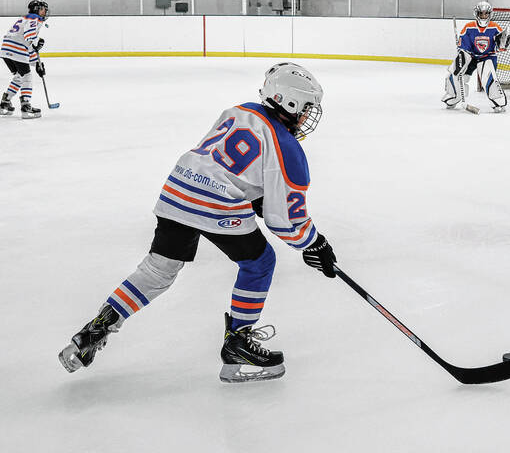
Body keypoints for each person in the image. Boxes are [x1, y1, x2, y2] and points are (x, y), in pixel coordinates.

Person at [58, 62, 337, 383]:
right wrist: (315, 244)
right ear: (289, 102)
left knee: (158, 270)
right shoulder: (287, 147)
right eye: (306, 108)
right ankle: (238, 342)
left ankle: (95, 330)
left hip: (178, 186)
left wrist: (255, 197)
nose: (306, 117)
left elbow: (221, 161)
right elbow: (286, 220)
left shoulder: (240, 111)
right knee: (259, 262)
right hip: (216, 200)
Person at [442, 1, 510, 112]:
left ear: (490, 14)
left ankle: (498, 102)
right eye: (481, 13)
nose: (483, 16)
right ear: (476, 14)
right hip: (472, 56)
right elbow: (464, 48)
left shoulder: (495, 27)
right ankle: (453, 97)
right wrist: (462, 56)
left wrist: (502, 43)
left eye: (486, 13)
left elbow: (500, 46)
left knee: (488, 76)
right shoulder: (469, 27)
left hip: (487, 56)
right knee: (455, 71)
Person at [0, 0, 48, 119]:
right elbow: (29, 36)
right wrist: (37, 41)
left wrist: (36, 63)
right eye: (43, 9)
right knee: (27, 77)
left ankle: (5, 103)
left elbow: (28, 44)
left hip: (6, 48)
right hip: (17, 48)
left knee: (19, 77)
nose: (45, 12)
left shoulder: (24, 18)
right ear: (37, 9)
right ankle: (26, 106)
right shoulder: (34, 18)